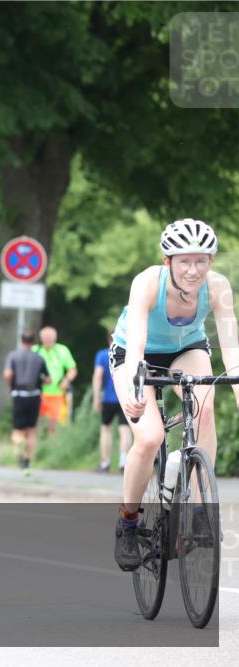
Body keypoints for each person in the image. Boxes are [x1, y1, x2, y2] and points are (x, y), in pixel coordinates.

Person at [110, 219, 239, 571]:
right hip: (135, 354)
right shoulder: (148, 282)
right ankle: (128, 522)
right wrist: (136, 386)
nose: (193, 270)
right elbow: (136, 342)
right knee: (149, 438)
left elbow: (231, 346)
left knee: (205, 410)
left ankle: (198, 510)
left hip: (187, 348)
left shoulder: (218, 287)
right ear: (168, 261)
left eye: (201, 261)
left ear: (211, 261)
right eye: (184, 261)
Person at [3, 331, 51, 469]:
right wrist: (42, 380)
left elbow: (8, 374)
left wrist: (11, 385)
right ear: (33, 342)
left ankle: (19, 453)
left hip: (19, 394)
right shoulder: (39, 358)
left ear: (21, 340)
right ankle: (27, 460)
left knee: (17, 430)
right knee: (31, 430)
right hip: (34, 395)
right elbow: (48, 379)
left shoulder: (13, 356)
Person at [92, 334, 133, 473]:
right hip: (126, 397)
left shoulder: (103, 355)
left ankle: (105, 463)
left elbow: (98, 376)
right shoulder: (130, 354)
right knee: (125, 430)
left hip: (108, 398)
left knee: (106, 429)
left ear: (109, 339)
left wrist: (96, 397)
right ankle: (123, 462)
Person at [33, 326, 77, 433]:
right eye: (46, 338)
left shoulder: (62, 350)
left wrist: (66, 380)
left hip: (57, 393)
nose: (48, 341)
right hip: (38, 393)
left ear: (55, 338)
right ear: (41, 338)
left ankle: (52, 442)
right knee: (35, 423)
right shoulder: (35, 350)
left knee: (55, 424)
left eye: (50, 338)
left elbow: (72, 369)